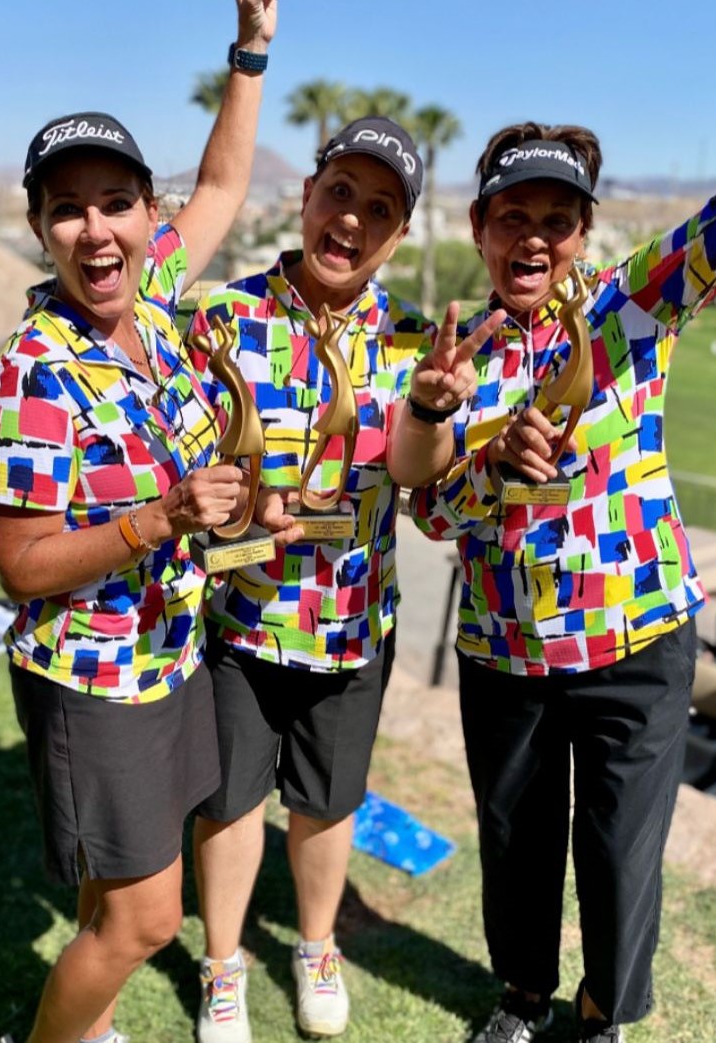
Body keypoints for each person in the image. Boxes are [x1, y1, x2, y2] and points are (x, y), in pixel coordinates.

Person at [0, 4, 277, 1042]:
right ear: (40, 225)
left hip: (170, 652)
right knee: (149, 919)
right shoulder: (34, 374)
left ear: (150, 214)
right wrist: (161, 516)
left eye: (116, 203)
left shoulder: (149, 305)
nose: (95, 230)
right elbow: (19, 566)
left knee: (117, 895)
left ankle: (88, 1023)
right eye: (69, 209)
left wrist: (251, 48)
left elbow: (231, 183)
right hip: (96, 677)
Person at [187, 115, 505, 1043]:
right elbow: (187, 469)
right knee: (230, 802)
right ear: (305, 198)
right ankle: (222, 966)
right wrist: (241, 511)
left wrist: (431, 407)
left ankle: (316, 946)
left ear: (400, 233)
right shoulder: (223, 317)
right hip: (240, 620)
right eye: (340, 195)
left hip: (352, 625)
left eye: (380, 208)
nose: (353, 222)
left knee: (327, 806)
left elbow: (414, 474)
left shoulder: (417, 343)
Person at [409, 121, 714, 1043]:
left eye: (556, 218)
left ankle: (599, 1014)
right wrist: (491, 459)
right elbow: (429, 512)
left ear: (586, 229)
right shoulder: (456, 354)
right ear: (478, 226)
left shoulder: (634, 305)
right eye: (513, 217)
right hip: (505, 648)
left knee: (621, 852)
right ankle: (523, 997)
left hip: (636, 641)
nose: (533, 236)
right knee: (516, 845)